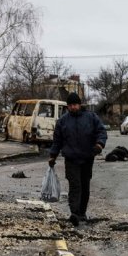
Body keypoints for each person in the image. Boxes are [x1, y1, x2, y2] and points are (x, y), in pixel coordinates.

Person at [48, 92, 107, 226]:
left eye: (75, 105)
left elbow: (101, 132)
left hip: (87, 157)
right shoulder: (62, 121)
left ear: (79, 104)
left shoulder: (91, 117)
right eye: (70, 105)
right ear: (67, 107)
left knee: (85, 185)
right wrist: (53, 156)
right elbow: (57, 141)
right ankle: (74, 213)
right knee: (75, 186)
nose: (73, 107)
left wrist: (99, 144)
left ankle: (82, 213)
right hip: (71, 159)